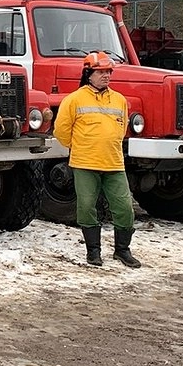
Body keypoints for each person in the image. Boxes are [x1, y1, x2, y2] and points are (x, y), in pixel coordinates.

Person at [53, 51, 142, 268]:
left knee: (124, 208)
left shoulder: (120, 100)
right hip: (84, 164)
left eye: (108, 72)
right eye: (101, 72)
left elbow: (121, 129)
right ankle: (93, 252)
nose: (106, 76)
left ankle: (122, 250)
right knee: (86, 207)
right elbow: (61, 131)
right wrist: (81, 147)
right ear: (88, 74)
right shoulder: (73, 100)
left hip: (114, 163)